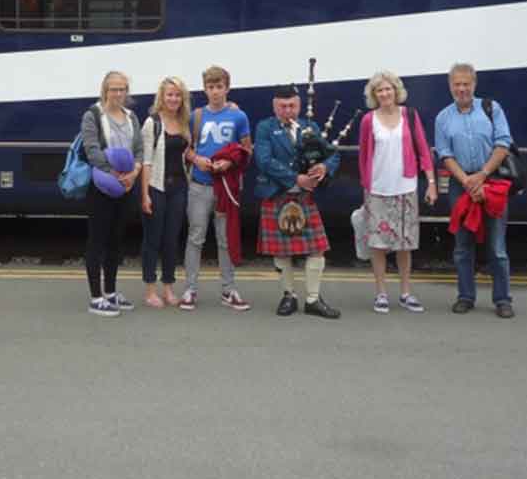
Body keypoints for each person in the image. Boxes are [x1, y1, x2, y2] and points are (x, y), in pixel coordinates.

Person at [434, 63, 516, 318]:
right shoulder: (443, 118)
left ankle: (502, 300)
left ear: (474, 84)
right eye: (456, 84)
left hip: (491, 181)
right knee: (462, 246)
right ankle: (466, 297)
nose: (461, 89)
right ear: (450, 86)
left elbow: (503, 144)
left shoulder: (492, 109)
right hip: (461, 185)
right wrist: (467, 181)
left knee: (497, 247)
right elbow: (444, 154)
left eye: (466, 84)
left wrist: (481, 176)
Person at [253, 85, 341, 319]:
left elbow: (333, 154)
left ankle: (313, 299)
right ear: (275, 106)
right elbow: (263, 160)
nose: (287, 110)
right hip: (277, 195)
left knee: (317, 249)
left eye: (292, 105)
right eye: (282, 106)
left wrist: (324, 167)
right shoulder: (265, 128)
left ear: (299, 105)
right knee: (282, 253)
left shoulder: (309, 126)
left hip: (304, 199)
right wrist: (296, 178)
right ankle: (288, 296)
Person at [357, 71, 437, 314]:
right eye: (379, 90)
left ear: (396, 90)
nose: (384, 94)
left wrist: (431, 182)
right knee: (378, 245)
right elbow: (363, 156)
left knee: (404, 245)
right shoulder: (368, 120)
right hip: (378, 189)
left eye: (388, 89)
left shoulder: (409, 116)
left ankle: (405, 293)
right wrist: (366, 186)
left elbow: (424, 151)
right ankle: (381, 293)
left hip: (406, 187)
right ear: (374, 95)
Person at [179, 66, 252, 311]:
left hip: (226, 187)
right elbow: (186, 149)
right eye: (210, 87)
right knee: (195, 237)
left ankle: (228, 289)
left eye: (219, 87)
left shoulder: (239, 117)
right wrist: (196, 159)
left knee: (225, 239)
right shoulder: (196, 116)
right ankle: (190, 289)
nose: (215, 92)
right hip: (200, 185)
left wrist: (229, 162)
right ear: (205, 89)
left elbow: (246, 150)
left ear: (227, 88)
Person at [81, 71, 143, 317]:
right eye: (113, 89)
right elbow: (91, 150)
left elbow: (139, 150)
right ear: (104, 90)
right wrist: (114, 173)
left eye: (122, 89)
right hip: (101, 187)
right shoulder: (93, 116)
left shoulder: (131, 117)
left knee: (116, 241)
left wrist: (135, 173)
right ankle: (96, 298)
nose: (118, 94)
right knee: (97, 241)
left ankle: (110, 292)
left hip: (126, 186)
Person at [140, 77, 192, 308]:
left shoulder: (183, 123)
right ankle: (150, 290)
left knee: (171, 239)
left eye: (177, 95)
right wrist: (145, 194)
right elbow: (146, 162)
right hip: (156, 187)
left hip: (179, 188)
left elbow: (185, 154)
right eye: (170, 94)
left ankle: (169, 288)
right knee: (153, 239)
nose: (173, 99)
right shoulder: (152, 123)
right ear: (162, 96)